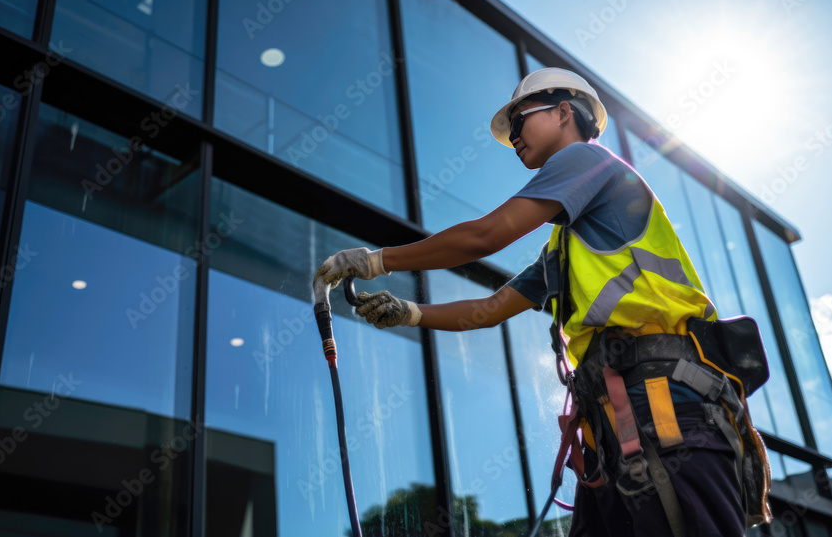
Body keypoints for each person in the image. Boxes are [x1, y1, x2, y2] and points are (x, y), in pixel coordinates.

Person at [314, 67, 770, 536]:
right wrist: (409, 312)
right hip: (618, 419)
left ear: (563, 111)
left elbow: (484, 236)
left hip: (666, 403)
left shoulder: (587, 161)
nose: (514, 138)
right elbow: (490, 310)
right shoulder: (565, 248)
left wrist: (378, 260)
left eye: (520, 123)